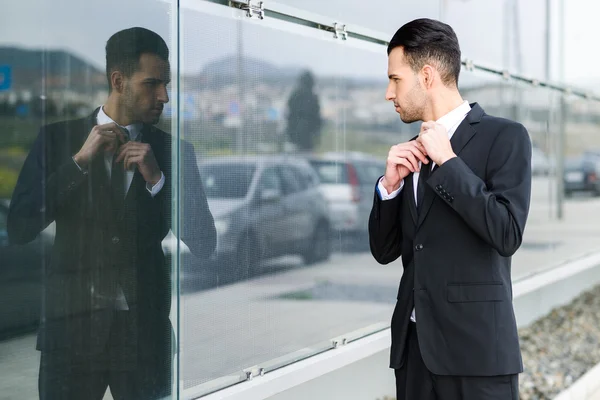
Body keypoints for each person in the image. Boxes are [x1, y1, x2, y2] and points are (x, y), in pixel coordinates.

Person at [7, 27, 216, 400]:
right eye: (152, 84)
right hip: (69, 337)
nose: (164, 96)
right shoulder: (56, 140)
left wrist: (159, 181)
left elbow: (204, 244)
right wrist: (78, 163)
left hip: (144, 342)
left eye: (166, 84)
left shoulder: (175, 152)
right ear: (118, 81)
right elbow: (21, 226)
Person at [369, 18, 531, 400]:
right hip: (414, 357)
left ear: (426, 76)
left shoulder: (505, 137)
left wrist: (450, 164)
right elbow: (384, 251)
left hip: (478, 359)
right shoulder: (410, 151)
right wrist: (389, 188)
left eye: (396, 80)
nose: (389, 93)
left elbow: (507, 232)